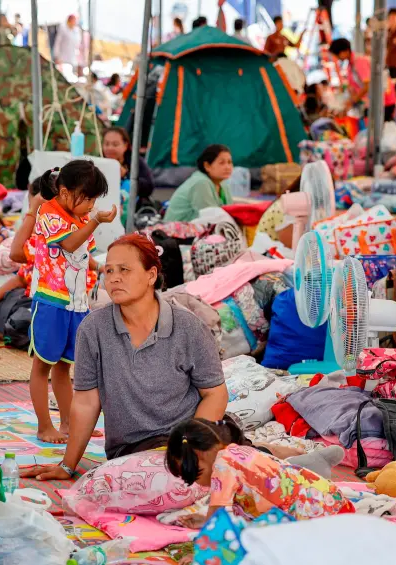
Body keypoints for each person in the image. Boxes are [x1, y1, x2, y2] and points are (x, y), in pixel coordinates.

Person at [20, 234, 229, 482]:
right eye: (108, 271)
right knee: (167, 482)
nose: (114, 278)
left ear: (151, 275)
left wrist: (190, 445)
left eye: (124, 270)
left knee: (253, 471)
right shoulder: (93, 329)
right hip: (136, 446)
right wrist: (67, 465)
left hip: (195, 435)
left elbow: (215, 393)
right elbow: (87, 402)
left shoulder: (188, 327)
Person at [26, 161, 116, 444]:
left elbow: (79, 253)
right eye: (87, 198)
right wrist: (96, 221)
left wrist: (99, 267)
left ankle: (67, 422)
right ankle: (44, 426)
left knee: (64, 365)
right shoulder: (49, 214)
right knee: (43, 366)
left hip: (75, 302)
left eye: (94, 200)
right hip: (51, 300)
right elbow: (68, 244)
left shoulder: (78, 218)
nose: (90, 204)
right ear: (64, 192)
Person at [163, 419, 353, 536]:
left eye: (192, 474)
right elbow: (247, 504)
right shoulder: (237, 452)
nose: (196, 482)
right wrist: (205, 519)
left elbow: (217, 523)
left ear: (199, 455)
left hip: (320, 519)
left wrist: (200, 557)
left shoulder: (222, 468)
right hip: (333, 503)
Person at [328, 38, 396, 121]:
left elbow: (367, 86)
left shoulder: (359, 61)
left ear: (345, 51)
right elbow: (353, 87)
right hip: (374, 102)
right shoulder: (350, 65)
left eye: (337, 54)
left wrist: (352, 101)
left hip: (383, 101)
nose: (336, 57)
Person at [164, 145, 233, 222]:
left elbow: (231, 212)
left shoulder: (223, 184)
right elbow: (211, 218)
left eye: (230, 162)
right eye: (222, 163)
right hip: (177, 231)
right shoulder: (201, 183)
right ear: (207, 166)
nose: (228, 167)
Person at [102, 127, 156, 209]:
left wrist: (126, 175)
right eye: (106, 144)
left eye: (115, 144)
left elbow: (149, 187)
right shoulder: (99, 162)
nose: (110, 148)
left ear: (125, 145)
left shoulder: (135, 161)